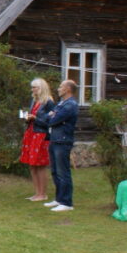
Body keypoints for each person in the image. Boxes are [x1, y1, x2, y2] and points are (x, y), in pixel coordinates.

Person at [36, 79, 79, 212]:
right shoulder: (61, 103)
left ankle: (67, 202)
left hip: (63, 140)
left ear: (68, 89)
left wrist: (51, 116)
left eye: (61, 87)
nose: (58, 89)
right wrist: (51, 116)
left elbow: (53, 120)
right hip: (54, 139)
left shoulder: (70, 105)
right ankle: (59, 199)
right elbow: (49, 117)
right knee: (55, 171)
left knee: (63, 172)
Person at [20, 78, 56, 202]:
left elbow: (50, 122)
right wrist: (27, 118)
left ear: (41, 88)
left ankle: (43, 193)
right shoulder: (34, 101)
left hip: (41, 136)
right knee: (32, 165)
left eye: (34, 87)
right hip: (31, 134)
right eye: (32, 87)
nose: (32, 89)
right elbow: (33, 117)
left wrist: (35, 118)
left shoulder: (49, 102)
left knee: (40, 165)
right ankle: (36, 193)